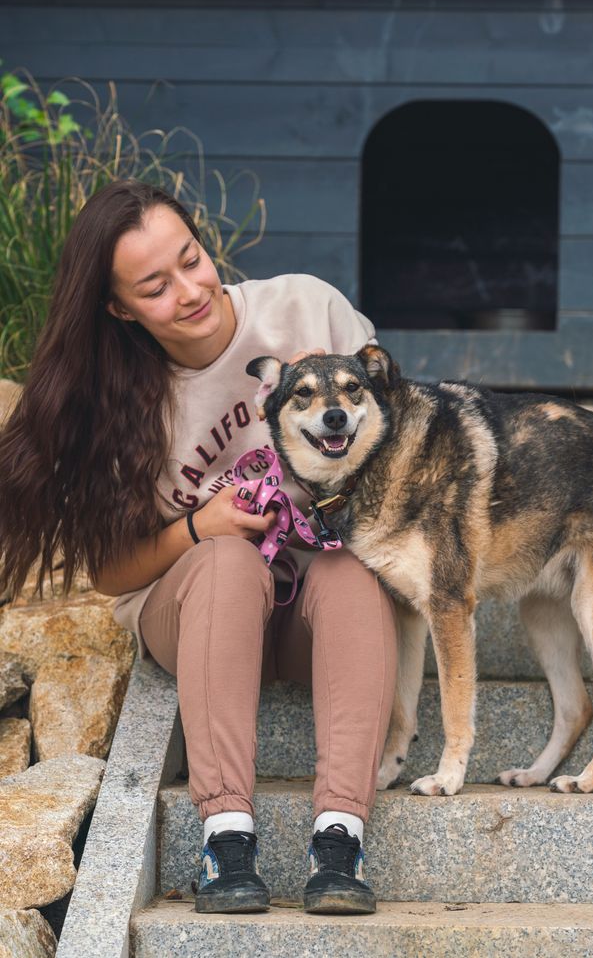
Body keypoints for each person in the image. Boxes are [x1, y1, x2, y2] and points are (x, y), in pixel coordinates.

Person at [0, 179, 397, 916]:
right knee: (224, 561)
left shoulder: (307, 309)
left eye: (192, 258)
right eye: (155, 286)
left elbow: (402, 451)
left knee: (349, 573)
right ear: (118, 307)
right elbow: (111, 571)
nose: (189, 290)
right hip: (194, 609)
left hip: (312, 605)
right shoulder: (113, 398)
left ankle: (340, 836)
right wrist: (197, 526)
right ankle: (225, 836)